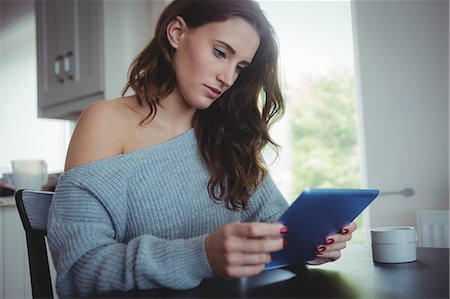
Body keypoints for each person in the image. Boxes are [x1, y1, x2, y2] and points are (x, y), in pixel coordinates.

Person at [47, 0, 357, 297]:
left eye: (240, 67)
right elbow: (79, 270)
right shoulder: (104, 121)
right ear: (177, 33)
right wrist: (201, 256)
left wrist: (310, 243)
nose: (227, 78)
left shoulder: (230, 137)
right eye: (220, 52)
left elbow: (276, 228)